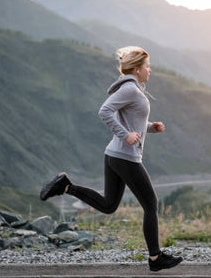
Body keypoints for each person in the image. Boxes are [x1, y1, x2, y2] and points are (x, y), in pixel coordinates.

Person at [39, 46, 183, 272]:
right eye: (147, 66)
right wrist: (125, 135)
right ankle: (156, 258)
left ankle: (66, 186)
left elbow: (131, 122)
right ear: (137, 69)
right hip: (125, 157)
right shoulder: (130, 90)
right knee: (151, 204)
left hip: (115, 155)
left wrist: (150, 128)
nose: (150, 70)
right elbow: (104, 111)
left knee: (108, 205)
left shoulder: (131, 88)